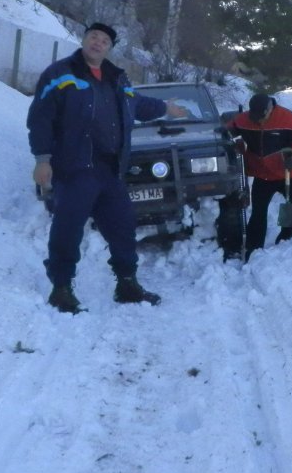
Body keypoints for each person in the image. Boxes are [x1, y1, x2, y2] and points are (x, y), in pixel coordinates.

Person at [27, 22, 186, 314]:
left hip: (110, 171)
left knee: (123, 229)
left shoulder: (117, 78)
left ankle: (127, 285)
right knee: (68, 230)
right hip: (75, 169)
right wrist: (42, 159)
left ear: (109, 49)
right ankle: (61, 289)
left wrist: (166, 108)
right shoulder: (60, 74)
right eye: (94, 37)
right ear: (84, 40)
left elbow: (138, 105)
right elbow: (40, 119)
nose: (98, 43)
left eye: (104, 41)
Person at [228, 93, 292, 262]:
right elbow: (228, 131)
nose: (259, 122)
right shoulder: (244, 120)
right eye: (254, 117)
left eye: (261, 117)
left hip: (287, 172)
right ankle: (253, 248)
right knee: (258, 213)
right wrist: (233, 144)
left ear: (270, 109)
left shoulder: (290, 120)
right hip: (262, 174)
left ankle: (284, 238)